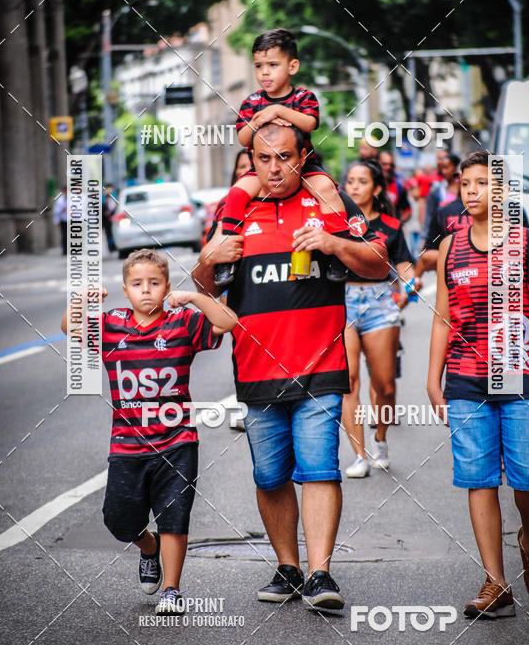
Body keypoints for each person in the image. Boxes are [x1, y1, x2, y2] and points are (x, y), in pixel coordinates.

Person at [192, 123, 389, 613]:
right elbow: (206, 289)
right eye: (264, 159)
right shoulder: (236, 212)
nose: (274, 168)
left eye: (284, 157)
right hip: (256, 369)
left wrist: (334, 243)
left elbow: (378, 263)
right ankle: (288, 568)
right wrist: (208, 258)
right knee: (269, 476)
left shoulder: (328, 202)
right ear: (252, 162)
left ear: (303, 157)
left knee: (320, 469)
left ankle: (321, 572)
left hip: (320, 365)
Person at [61, 248, 237, 615]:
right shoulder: (111, 326)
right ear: (125, 290)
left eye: (155, 283)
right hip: (127, 445)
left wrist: (193, 298)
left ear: (166, 287)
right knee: (118, 518)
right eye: (137, 283)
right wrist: (82, 300)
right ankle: (148, 546)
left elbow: (227, 322)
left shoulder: (182, 323)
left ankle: (171, 590)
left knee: (175, 515)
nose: (146, 290)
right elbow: (69, 327)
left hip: (178, 441)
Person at [427, 150, 529, 619]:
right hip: (466, 380)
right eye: (466, 183)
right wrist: (433, 378)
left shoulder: (527, 243)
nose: (472, 191)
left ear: (502, 191)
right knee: (478, 478)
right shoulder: (450, 247)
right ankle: (496, 581)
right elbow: (442, 317)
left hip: (522, 377)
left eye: (483, 183)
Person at [215, 28, 347, 285]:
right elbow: (243, 138)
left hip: (304, 166)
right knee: (236, 193)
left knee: (327, 190)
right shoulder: (252, 102)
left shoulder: (303, 97)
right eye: (259, 66)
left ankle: (339, 252)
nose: (265, 72)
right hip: (262, 169)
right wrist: (258, 121)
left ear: (292, 66)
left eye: (273, 65)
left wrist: (278, 110)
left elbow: (309, 123)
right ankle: (226, 258)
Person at [341, 160, 418, 477]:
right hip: (342, 302)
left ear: (376, 189)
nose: (354, 187)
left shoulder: (390, 225)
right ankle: (359, 456)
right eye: (350, 181)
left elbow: (405, 266)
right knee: (348, 381)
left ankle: (380, 439)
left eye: (362, 181)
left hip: (380, 303)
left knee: (384, 384)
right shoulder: (335, 221)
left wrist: (411, 286)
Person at [420, 151, 460, 244]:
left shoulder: (463, 188)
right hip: (441, 235)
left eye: (447, 167)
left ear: (455, 167)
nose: (444, 171)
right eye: (442, 168)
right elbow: (429, 215)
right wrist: (425, 238)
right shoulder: (436, 189)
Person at [378, 150, 411, 223]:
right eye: (384, 164)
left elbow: (407, 211)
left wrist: (398, 224)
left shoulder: (399, 186)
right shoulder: (370, 185)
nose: (388, 167)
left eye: (391, 165)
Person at [102, 184, 118, 252]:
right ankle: (110, 246)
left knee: (114, 233)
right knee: (109, 234)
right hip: (106, 221)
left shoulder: (114, 199)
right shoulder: (103, 200)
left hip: (114, 220)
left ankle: (115, 245)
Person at [53, 187, 68, 255]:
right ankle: (65, 250)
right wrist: (56, 221)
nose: (66, 193)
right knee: (64, 235)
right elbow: (56, 211)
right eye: (65, 191)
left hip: (72, 220)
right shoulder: (60, 199)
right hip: (63, 219)